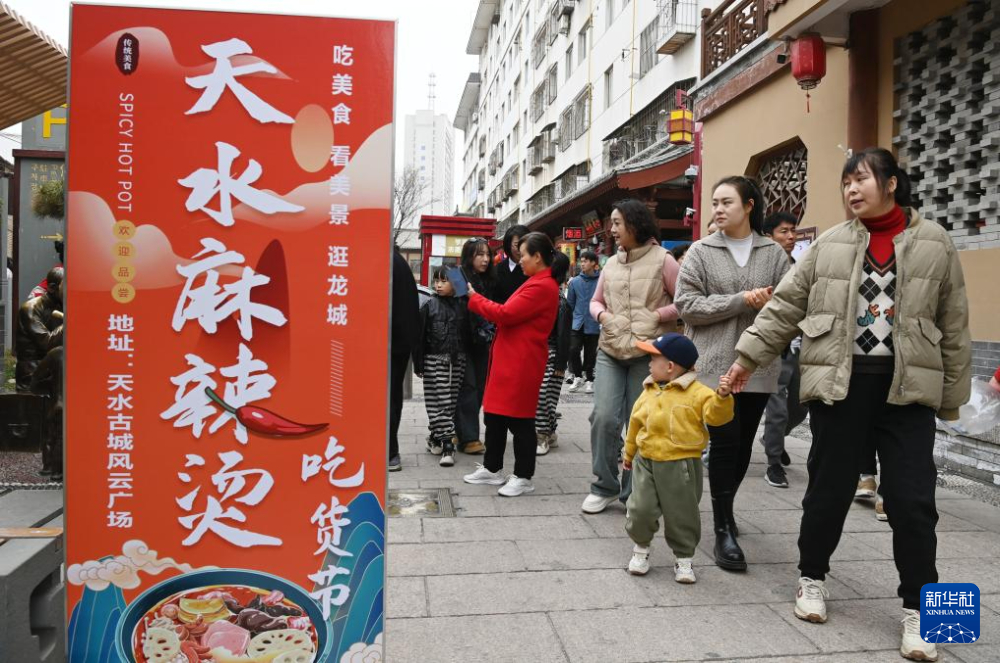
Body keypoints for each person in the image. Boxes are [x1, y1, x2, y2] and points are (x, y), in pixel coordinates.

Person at [727, 148, 970, 662]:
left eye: (861, 180)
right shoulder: (829, 245)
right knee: (828, 491)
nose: (851, 190)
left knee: (913, 502)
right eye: (845, 183)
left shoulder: (935, 243)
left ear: (892, 184)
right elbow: (786, 305)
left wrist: (951, 399)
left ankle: (921, 612)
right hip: (840, 388)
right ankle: (811, 578)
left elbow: (954, 323)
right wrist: (748, 356)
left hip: (907, 394)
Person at [674, 176, 790, 572]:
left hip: (759, 365)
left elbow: (789, 304)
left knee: (742, 445)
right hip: (713, 367)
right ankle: (723, 526)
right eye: (715, 203)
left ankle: (726, 507)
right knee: (724, 443)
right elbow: (686, 305)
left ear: (749, 206)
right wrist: (741, 300)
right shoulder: (700, 252)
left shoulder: (774, 252)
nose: (718, 210)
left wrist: (768, 303)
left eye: (726, 202)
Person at [583, 199, 681, 514]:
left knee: (641, 422)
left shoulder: (664, 260)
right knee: (604, 417)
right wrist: (603, 318)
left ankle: (633, 492)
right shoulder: (610, 263)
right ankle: (604, 486)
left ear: (635, 224)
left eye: (616, 223)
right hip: (610, 349)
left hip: (648, 353)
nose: (611, 229)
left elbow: (687, 301)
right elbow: (595, 302)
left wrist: (658, 315)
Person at [623, 333, 735, 583]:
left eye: (653, 358)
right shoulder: (649, 389)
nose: (649, 364)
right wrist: (629, 453)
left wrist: (723, 398)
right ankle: (640, 549)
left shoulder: (699, 393)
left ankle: (684, 558)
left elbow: (717, 417)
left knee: (682, 514)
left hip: (681, 465)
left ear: (670, 366)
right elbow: (635, 423)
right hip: (647, 460)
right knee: (639, 509)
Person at [463, 232, 562, 497]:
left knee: (521, 421)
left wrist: (473, 297)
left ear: (538, 257)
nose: (520, 260)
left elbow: (505, 314)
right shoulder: (535, 281)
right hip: (509, 358)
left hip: (522, 361)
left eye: (524, 254)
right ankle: (492, 468)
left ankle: (523, 475)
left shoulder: (542, 286)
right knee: (495, 415)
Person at [759, 212, 806, 488]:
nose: (790, 237)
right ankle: (773, 463)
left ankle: (772, 438)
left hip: (798, 346)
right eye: (784, 231)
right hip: (772, 346)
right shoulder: (763, 269)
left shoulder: (798, 266)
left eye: (793, 231)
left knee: (800, 406)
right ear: (769, 236)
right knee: (777, 408)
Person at [414, 266, 468, 468]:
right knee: (435, 403)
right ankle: (446, 443)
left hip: (457, 360)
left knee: (447, 403)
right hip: (433, 359)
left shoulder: (463, 304)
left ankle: (439, 439)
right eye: (436, 280)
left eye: (444, 281)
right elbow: (419, 338)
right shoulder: (429, 305)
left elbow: (465, 293)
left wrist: (455, 275)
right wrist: (419, 363)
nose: (437, 285)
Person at [455, 238, 496, 454]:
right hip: (461, 342)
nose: (485, 259)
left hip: (483, 342)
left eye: (488, 254)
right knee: (468, 388)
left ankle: (457, 430)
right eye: (480, 254)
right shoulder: (456, 275)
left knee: (479, 387)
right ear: (469, 255)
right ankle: (469, 438)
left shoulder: (489, 279)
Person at [536, 252, 572, 455]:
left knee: (543, 397)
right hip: (538, 353)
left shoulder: (561, 303)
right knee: (544, 398)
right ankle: (549, 432)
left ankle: (542, 435)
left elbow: (564, 337)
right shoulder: (543, 295)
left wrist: (560, 364)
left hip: (551, 356)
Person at [389, 247, 420, 472]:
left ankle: (387, 452)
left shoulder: (385, 261)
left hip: (384, 346)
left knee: (385, 400)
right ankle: (391, 452)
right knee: (392, 398)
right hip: (398, 346)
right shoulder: (399, 262)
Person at [16, 266, 63, 392]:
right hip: (33, 373)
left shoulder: (60, 305)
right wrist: (69, 322)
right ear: (52, 288)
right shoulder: (30, 309)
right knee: (60, 353)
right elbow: (47, 343)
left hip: (53, 370)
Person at [565, 250, 601, 393]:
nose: (583, 264)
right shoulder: (575, 282)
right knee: (573, 350)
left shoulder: (600, 282)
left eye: (585, 261)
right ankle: (578, 376)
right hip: (577, 322)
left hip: (594, 322)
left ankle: (589, 380)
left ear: (593, 263)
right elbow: (570, 304)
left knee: (590, 354)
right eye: (582, 261)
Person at [494, 225, 529, 303]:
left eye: (524, 244)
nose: (521, 249)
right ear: (508, 245)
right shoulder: (497, 271)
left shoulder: (535, 270)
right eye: (517, 245)